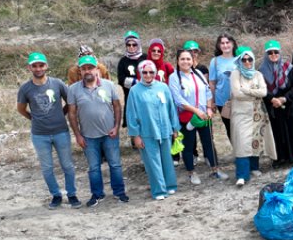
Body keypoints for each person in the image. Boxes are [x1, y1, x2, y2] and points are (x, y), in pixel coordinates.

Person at [17, 51, 79, 208]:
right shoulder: (25, 89)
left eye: (41, 65)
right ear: (29, 67)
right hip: (39, 135)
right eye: (34, 66)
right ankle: (56, 195)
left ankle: (72, 194)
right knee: (47, 168)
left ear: (46, 66)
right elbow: (21, 109)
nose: (38, 69)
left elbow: (70, 102)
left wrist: (61, 114)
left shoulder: (57, 83)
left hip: (60, 131)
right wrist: (34, 118)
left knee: (67, 165)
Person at [67, 55, 127, 207]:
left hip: (110, 134)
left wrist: (116, 127)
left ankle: (119, 192)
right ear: (80, 71)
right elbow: (72, 113)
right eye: (84, 68)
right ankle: (97, 194)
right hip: (88, 136)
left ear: (96, 69)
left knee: (115, 165)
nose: (87, 71)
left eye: (90, 68)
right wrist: (78, 135)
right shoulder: (73, 89)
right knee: (94, 168)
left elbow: (117, 106)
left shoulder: (108, 85)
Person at [125, 59, 180, 200]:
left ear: (155, 73)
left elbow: (171, 109)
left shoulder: (163, 87)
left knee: (167, 159)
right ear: (140, 73)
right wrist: (135, 135)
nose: (148, 75)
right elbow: (131, 114)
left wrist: (175, 128)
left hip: (165, 130)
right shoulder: (134, 91)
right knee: (153, 162)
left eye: (151, 72)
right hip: (147, 132)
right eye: (145, 72)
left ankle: (170, 185)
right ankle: (159, 191)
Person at [170, 48, 224, 185]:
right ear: (177, 61)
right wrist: (196, 111)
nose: (186, 61)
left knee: (209, 142)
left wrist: (208, 108)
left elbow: (207, 92)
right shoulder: (174, 77)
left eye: (188, 59)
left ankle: (215, 169)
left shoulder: (198, 73)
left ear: (192, 60)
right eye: (182, 59)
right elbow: (178, 100)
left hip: (204, 115)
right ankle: (191, 172)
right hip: (187, 116)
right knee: (188, 145)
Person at [259, 39, 293, 165]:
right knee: (278, 131)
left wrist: (284, 98)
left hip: (289, 103)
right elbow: (262, 89)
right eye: (270, 53)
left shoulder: (289, 67)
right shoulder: (261, 71)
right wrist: (272, 99)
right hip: (273, 105)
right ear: (266, 55)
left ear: (279, 52)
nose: (273, 55)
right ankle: (280, 157)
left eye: (276, 52)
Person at [229, 47, 270, 186]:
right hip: (240, 113)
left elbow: (264, 92)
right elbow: (237, 94)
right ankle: (242, 175)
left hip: (256, 113)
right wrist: (254, 93)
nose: (247, 62)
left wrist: (246, 90)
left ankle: (254, 167)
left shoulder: (258, 74)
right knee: (242, 142)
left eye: (250, 59)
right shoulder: (235, 73)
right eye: (244, 59)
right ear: (240, 60)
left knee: (255, 139)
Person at [207, 33, 238, 140]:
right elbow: (212, 83)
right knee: (230, 128)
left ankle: (246, 153)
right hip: (222, 101)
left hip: (240, 100)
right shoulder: (215, 61)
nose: (225, 45)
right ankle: (237, 153)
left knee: (242, 128)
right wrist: (213, 102)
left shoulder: (240, 59)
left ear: (233, 43)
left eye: (227, 42)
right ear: (219, 46)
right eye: (222, 43)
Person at [116, 31, 145, 120]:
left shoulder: (145, 58)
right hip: (130, 95)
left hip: (145, 94)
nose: (131, 47)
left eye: (134, 44)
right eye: (128, 45)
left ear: (138, 44)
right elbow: (121, 79)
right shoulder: (123, 61)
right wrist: (137, 83)